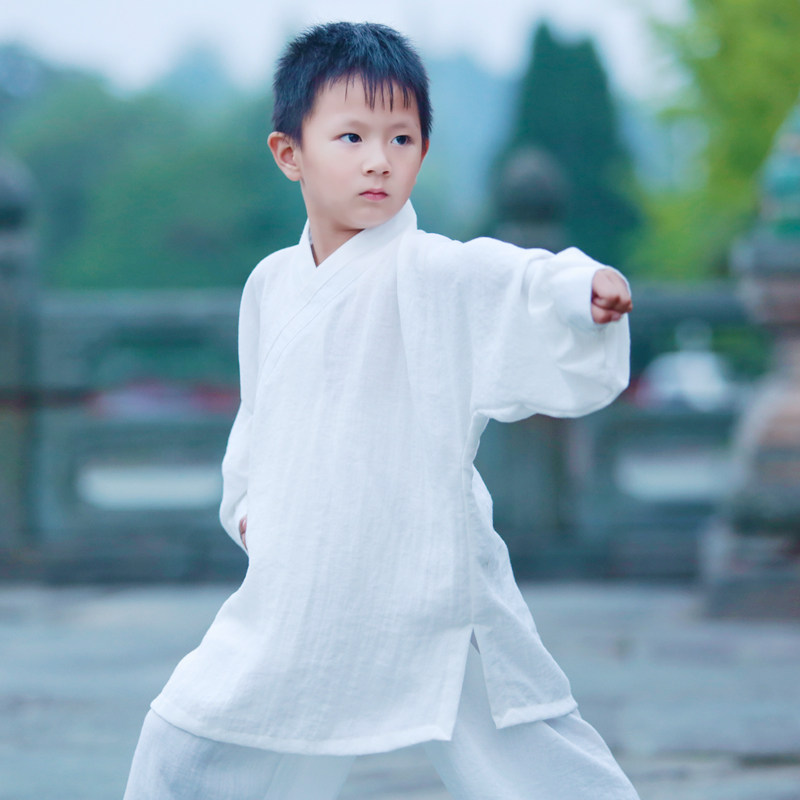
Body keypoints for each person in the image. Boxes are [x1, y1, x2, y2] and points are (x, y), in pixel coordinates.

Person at [124, 21, 639, 800]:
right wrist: (253, 508)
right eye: (352, 136)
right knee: (189, 736)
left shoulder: (432, 270)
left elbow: (511, 279)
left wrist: (580, 292)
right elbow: (259, 420)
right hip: (308, 576)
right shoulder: (270, 285)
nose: (379, 160)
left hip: (426, 571)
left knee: (524, 753)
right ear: (289, 153)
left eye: (402, 138)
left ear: (424, 152)